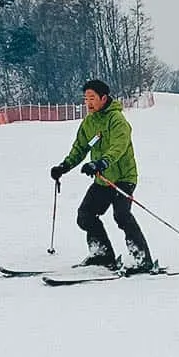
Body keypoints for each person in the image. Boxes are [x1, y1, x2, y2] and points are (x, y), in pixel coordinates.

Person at [49, 79, 153, 271]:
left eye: (92, 98)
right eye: (85, 98)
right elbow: (80, 148)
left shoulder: (117, 120)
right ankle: (102, 254)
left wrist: (101, 162)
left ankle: (142, 259)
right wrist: (64, 167)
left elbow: (118, 147)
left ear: (103, 98)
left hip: (123, 177)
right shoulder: (89, 122)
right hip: (102, 180)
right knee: (85, 215)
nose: (88, 103)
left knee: (121, 215)